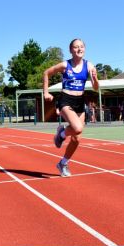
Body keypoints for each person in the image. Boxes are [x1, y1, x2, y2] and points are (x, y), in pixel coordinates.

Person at [43, 38, 99, 177]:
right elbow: (46, 73)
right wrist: (46, 92)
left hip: (80, 100)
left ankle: (63, 163)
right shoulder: (65, 65)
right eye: (76, 47)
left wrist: (96, 79)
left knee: (76, 139)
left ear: (84, 49)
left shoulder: (89, 66)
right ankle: (61, 134)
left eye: (81, 46)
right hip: (65, 100)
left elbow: (96, 88)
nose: (79, 49)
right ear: (71, 50)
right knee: (77, 128)